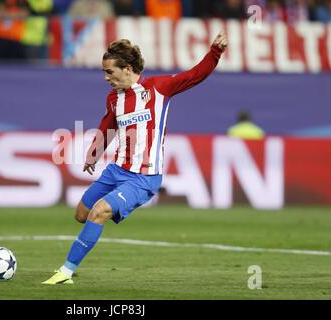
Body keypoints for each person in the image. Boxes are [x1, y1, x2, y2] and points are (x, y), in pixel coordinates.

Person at [42, 31, 228, 285]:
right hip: (116, 170)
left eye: (110, 72)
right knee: (81, 214)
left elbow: (195, 75)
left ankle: (65, 272)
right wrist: (94, 153)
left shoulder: (158, 89)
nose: (106, 78)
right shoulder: (114, 99)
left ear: (127, 68)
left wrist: (215, 52)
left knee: (99, 212)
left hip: (144, 176)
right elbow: (108, 125)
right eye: (104, 72)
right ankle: (72, 262)